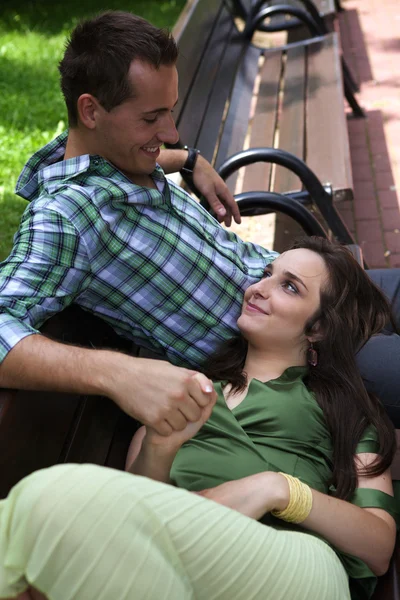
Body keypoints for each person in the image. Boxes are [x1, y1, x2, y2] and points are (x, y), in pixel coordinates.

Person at [0, 9, 399, 442]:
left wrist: (191, 161)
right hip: (300, 353)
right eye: (151, 118)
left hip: (309, 287)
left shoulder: (117, 157)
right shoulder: (64, 219)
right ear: (91, 111)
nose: (170, 132)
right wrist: (115, 372)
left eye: (170, 112)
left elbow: (160, 150)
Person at [0, 237, 398, 600]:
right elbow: (140, 507)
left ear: (319, 328)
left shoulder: (342, 408)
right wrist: (160, 444)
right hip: (180, 572)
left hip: (296, 566)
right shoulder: (184, 394)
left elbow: (378, 547)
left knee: (49, 499)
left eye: (289, 286)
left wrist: (278, 490)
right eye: (266, 275)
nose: (258, 288)